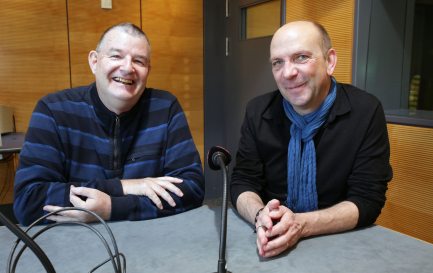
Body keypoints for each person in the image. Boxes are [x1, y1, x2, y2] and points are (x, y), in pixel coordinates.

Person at [14, 22, 205, 226]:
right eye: (116, 56)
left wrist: (112, 208)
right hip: (73, 244)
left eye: (139, 61)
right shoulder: (53, 110)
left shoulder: (165, 108)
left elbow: (192, 188)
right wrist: (124, 187)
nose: (127, 68)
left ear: (148, 70)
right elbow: (29, 201)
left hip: (151, 242)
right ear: (94, 62)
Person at [230, 21, 392, 258]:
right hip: (269, 239)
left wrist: (301, 224)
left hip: (340, 243)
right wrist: (260, 215)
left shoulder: (366, 111)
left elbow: (368, 199)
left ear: (330, 61)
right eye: (278, 63)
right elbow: (243, 181)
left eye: (301, 57)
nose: (288, 73)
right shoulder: (257, 111)